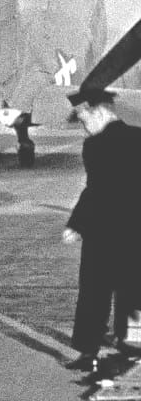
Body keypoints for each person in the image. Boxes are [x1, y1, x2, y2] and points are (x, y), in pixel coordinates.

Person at [62, 88, 141, 371]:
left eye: (84, 119)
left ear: (98, 111)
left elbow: (94, 189)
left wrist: (76, 224)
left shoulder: (94, 147)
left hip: (101, 231)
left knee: (93, 291)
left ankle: (88, 352)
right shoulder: (137, 137)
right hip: (135, 230)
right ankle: (132, 348)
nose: (84, 125)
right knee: (132, 289)